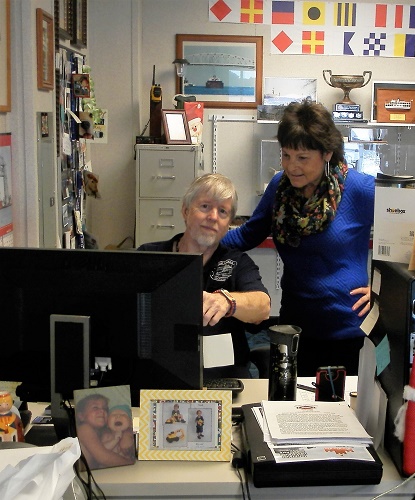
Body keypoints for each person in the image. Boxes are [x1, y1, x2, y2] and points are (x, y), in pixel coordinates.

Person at [222, 100, 375, 376]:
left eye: (302, 158)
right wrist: (194, 246)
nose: (292, 166)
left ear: (327, 153)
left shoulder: (360, 189)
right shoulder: (280, 189)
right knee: (294, 414)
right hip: (294, 329)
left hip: (349, 332)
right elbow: (247, 235)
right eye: (286, 155)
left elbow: (409, 235)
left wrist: (383, 291)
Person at [138, 173, 271, 379]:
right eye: (205, 207)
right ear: (185, 210)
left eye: (223, 211)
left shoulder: (237, 262)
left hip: (222, 378)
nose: (213, 217)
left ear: (229, 224)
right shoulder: (149, 257)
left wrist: (227, 301)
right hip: (159, 372)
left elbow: (262, 307)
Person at [76, 394, 133, 469]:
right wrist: (130, 463)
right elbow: (103, 458)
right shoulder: (84, 428)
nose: (102, 411)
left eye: (105, 408)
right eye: (95, 407)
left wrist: (127, 434)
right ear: (81, 416)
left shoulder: (102, 432)